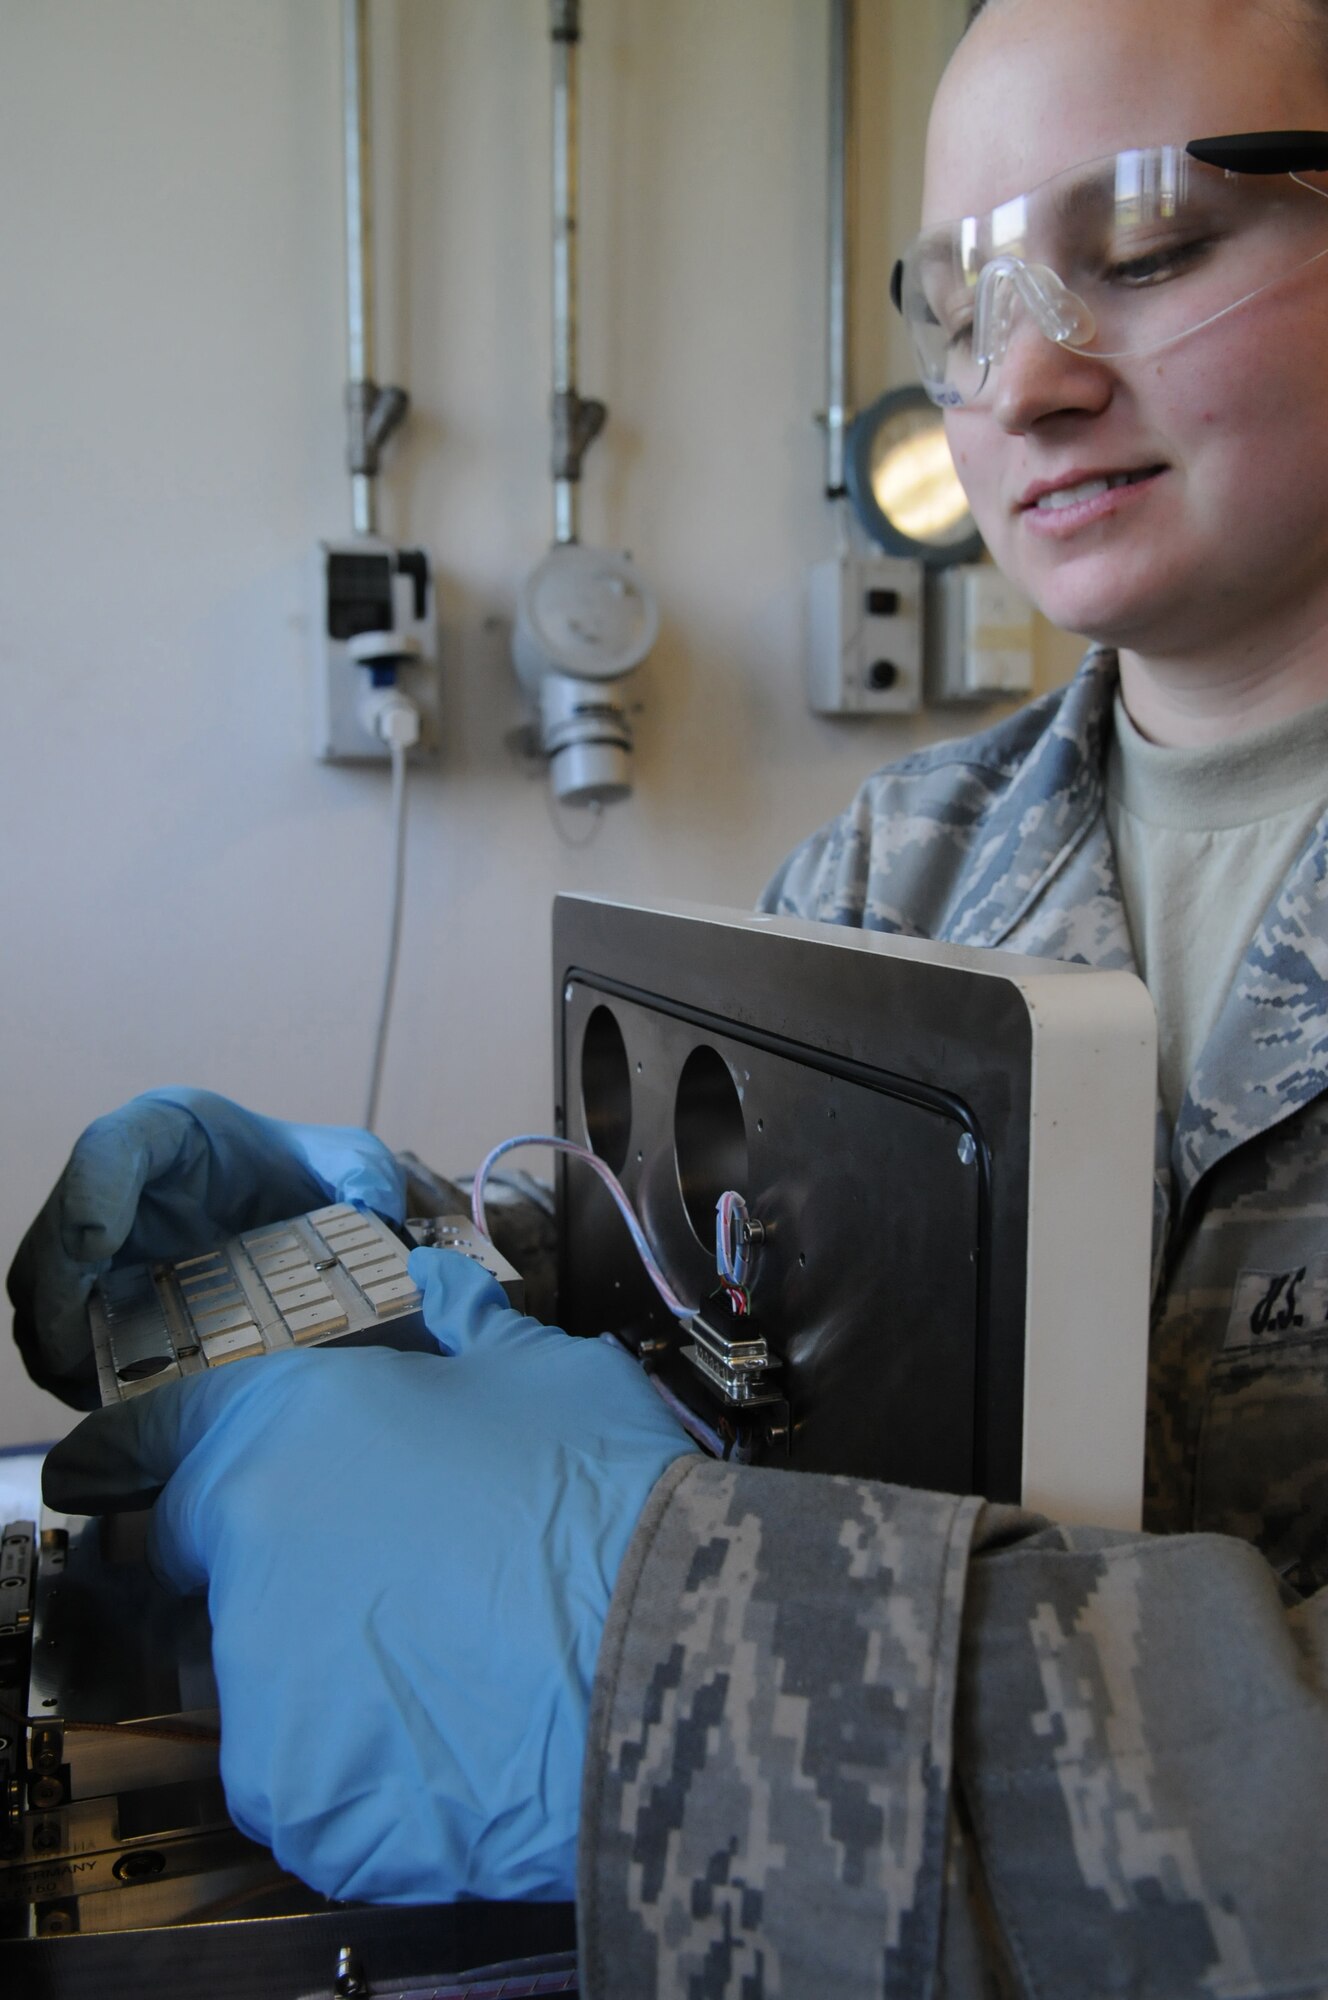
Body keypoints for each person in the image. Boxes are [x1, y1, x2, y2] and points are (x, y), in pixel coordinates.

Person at [11, 0, 1328, 1989]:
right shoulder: (908, 864)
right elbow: (739, 1300)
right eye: (960, 301)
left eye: (1143, 248)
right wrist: (412, 1256)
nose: (1025, 380)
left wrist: (682, 1674)